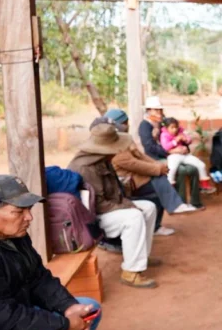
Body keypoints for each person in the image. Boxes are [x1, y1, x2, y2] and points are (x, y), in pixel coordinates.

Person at [0, 175, 101, 330]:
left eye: (29, 209)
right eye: (18, 211)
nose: (29, 217)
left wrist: (68, 305)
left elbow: (39, 277)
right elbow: (5, 316)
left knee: (89, 308)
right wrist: (63, 325)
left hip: (19, 312)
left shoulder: (15, 236)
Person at [68, 124, 160, 289]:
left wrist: (127, 201)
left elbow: (113, 194)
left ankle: (140, 258)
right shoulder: (86, 167)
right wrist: (129, 206)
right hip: (91, 219)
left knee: (149, 207)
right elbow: (99, 204)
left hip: (107, 208)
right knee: (134, 217)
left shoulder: (102, 159)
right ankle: (131, 272)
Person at [103, 110, 198, 238]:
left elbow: (139, 155)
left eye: (127, 123)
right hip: (124, 181)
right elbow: (132, 163)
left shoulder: (123, 138)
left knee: (159, 180)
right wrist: (157, 169)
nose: (127, 126)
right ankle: (172, 208)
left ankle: (161, 220)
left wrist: (158, 165)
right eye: (124, 123)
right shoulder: (111, 144)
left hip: (135, 176)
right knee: (158, 181)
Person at [138, 96, 204, 208]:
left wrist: (184, 146)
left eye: (160, 110)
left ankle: (195, 201)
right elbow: (150, 148)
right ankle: (180, 203)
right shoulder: (145, 126)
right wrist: (170, 151)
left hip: (174, 154)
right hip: (156, 157)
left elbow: (177, 135)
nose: (159, 112)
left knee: (193, 168)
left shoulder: (163, 122)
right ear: (148, 110)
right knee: (182, 170)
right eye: (156, 110)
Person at [159, 117, 214, 193]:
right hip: (174, 155)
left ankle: (204, 185)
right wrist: (175, 140)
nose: (174, 129)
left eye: (176, 127)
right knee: (172, 169)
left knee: (201, 165)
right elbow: (166, 147)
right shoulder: (164, 135)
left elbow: (189, 140)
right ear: (166, 128)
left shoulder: (180, 132)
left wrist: (185, 139)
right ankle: (170, 187)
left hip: (184, 155)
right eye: (172, 128)